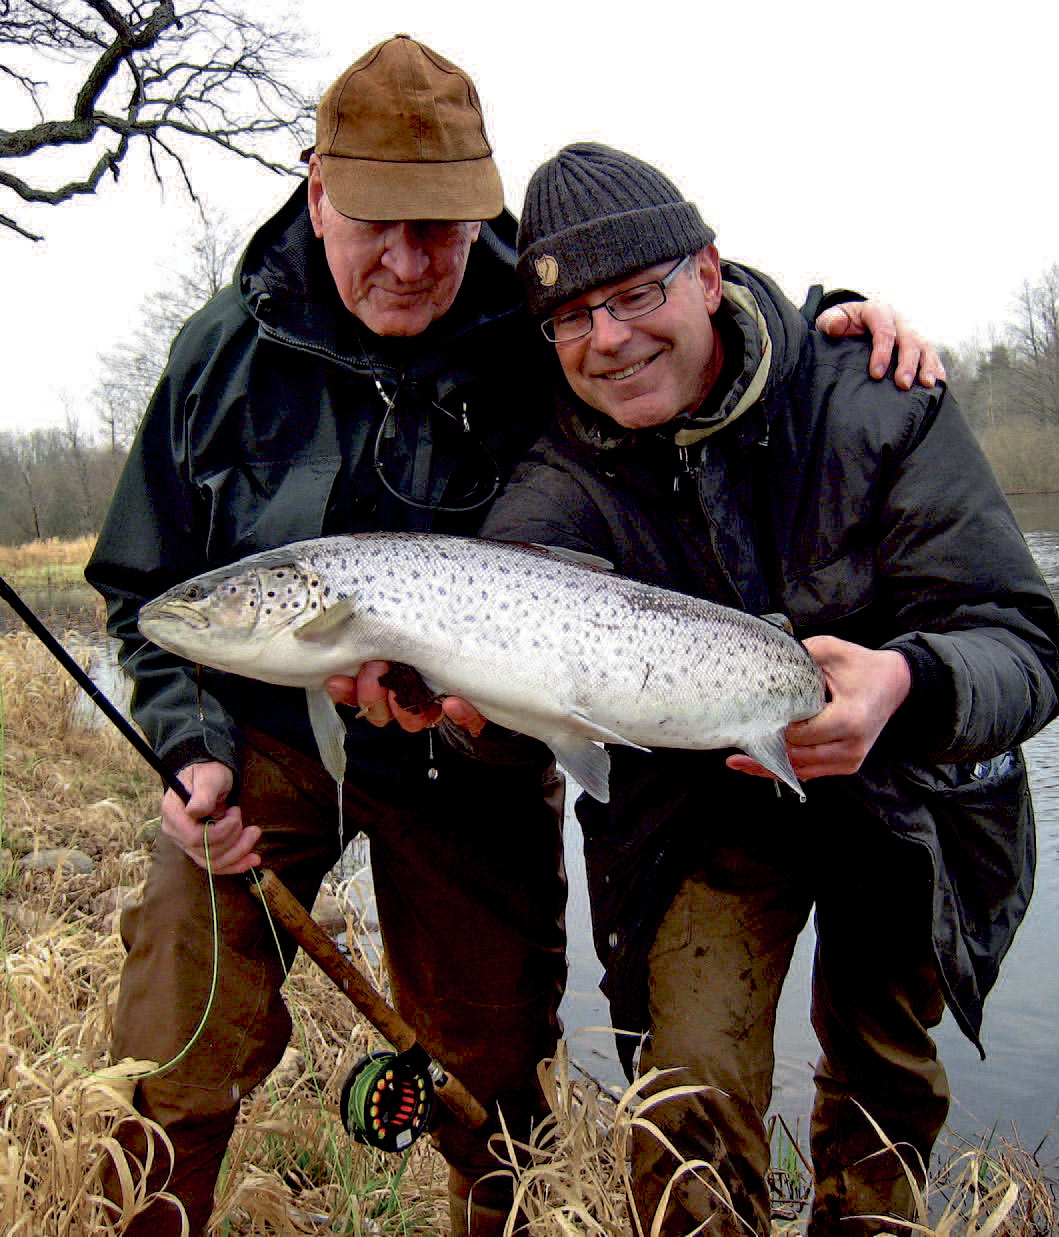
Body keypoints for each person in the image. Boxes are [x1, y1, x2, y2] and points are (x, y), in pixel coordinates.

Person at [87, 35, 944, 1236]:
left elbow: (685, 309)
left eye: (439, 227)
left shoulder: (539, 311)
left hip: (475, 750)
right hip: (263, 741)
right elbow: (147, 593)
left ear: (480, 208)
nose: (407, 259)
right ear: (317, 188)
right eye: (377, 221)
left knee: (494, 1066)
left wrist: (845, 324)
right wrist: (187, 747)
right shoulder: (220, 359)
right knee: (174, 1040)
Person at [475, 143, 1059, 1236]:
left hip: (907, 800)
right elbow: (501, 687)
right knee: (685, 1106)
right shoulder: (555, 481)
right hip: (702, 815)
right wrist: (462, 710)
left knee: (883, 1089)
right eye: (571, 318)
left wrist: (901, 682)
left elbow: (1023, 650)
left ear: (708, 272)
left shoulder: (877, 400)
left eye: (636, 295)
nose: (608, 339)